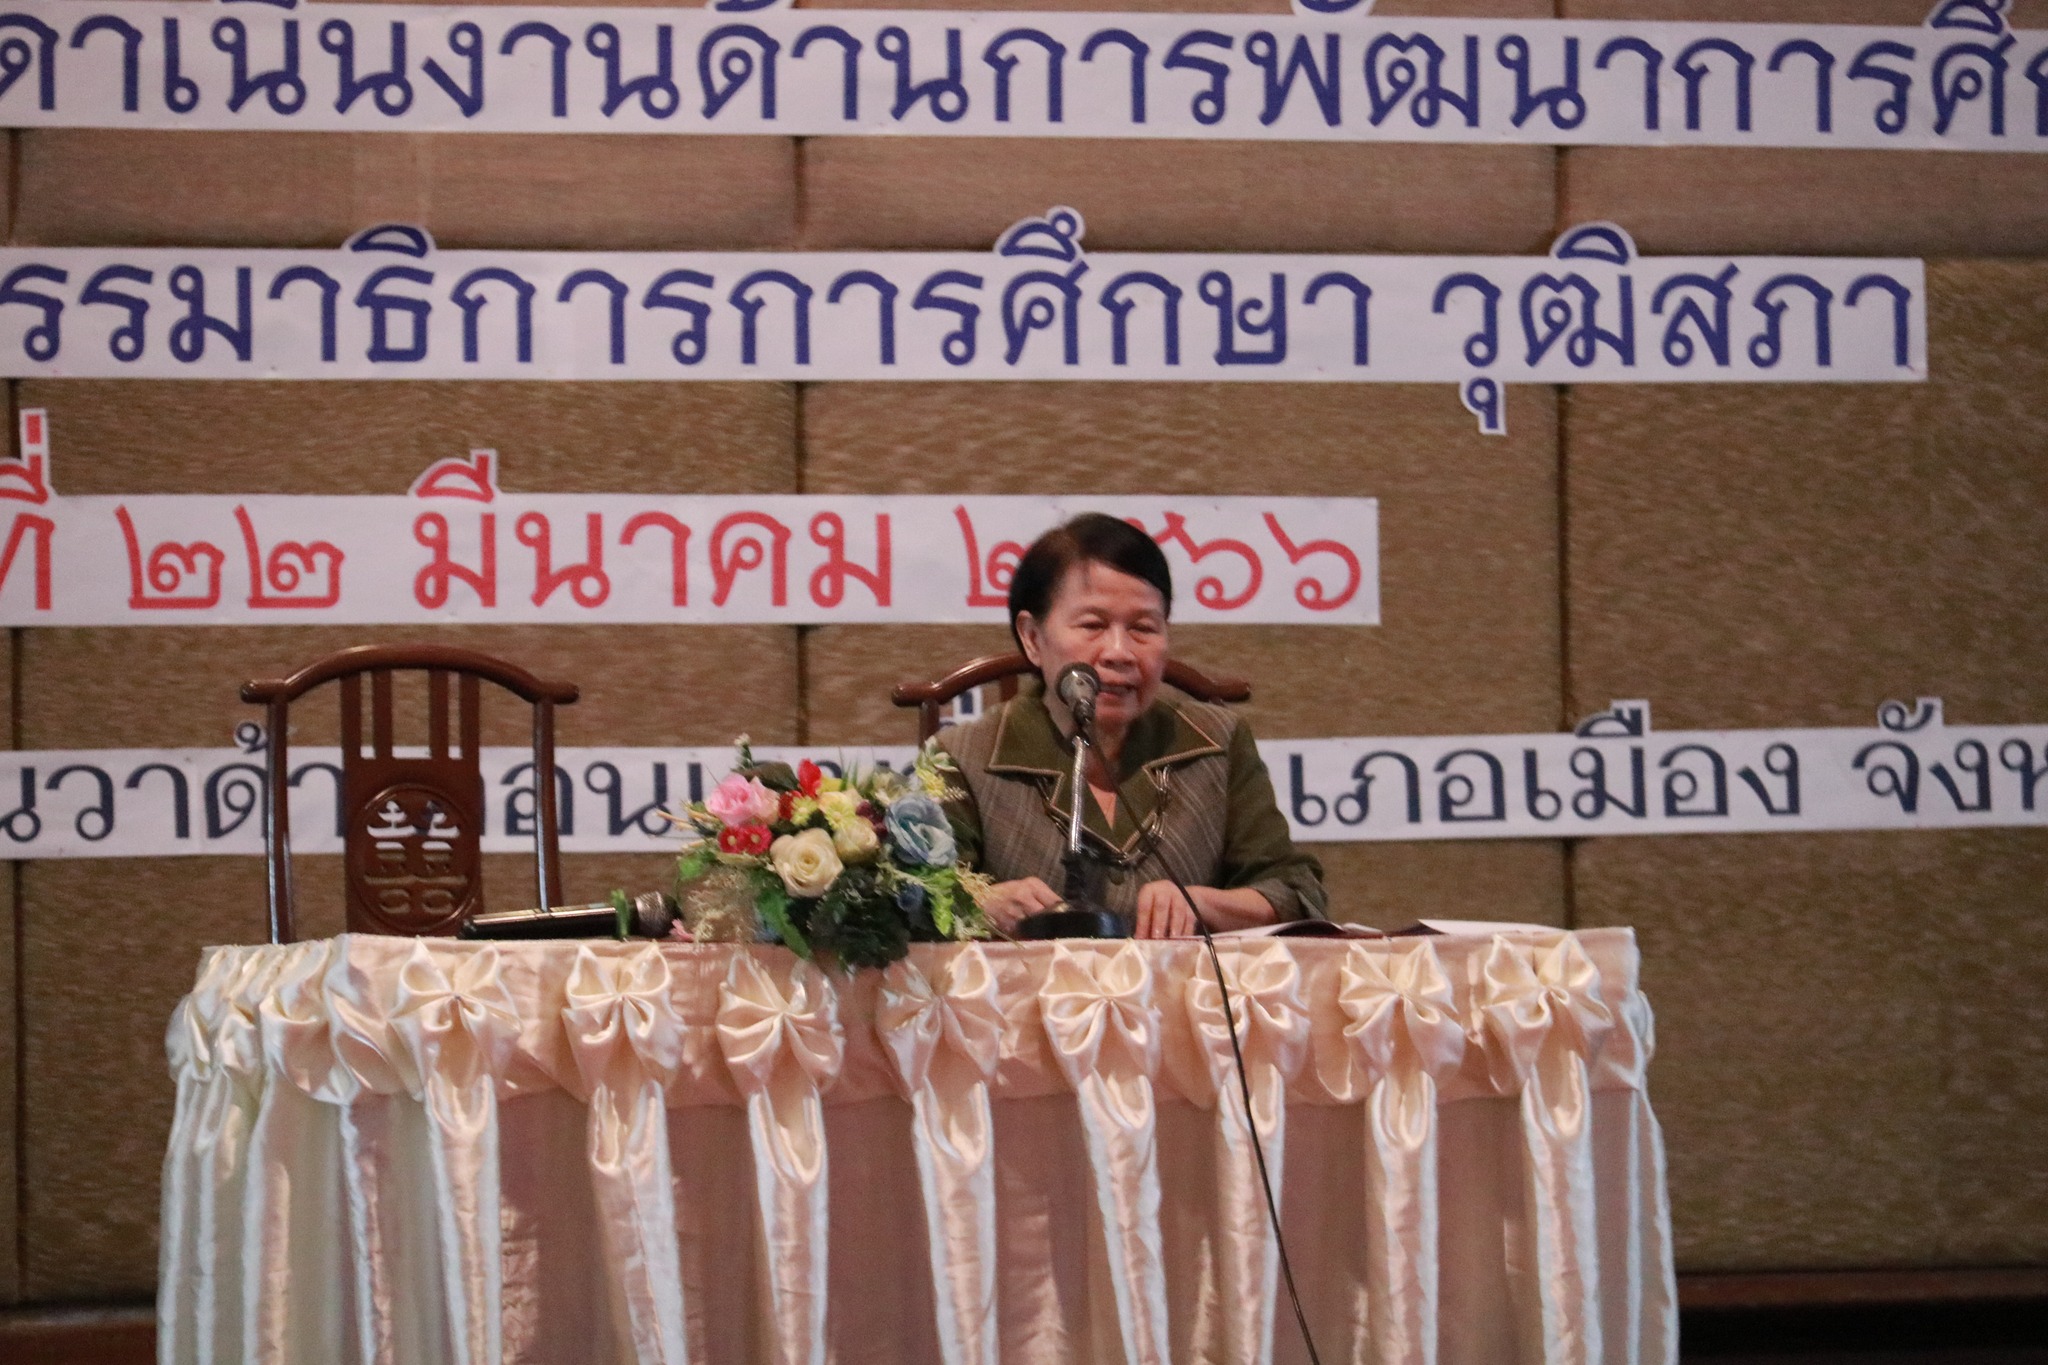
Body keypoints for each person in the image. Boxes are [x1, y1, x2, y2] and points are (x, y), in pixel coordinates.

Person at [936, 513, 1327, 939]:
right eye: (1093, 625)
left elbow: (1295, 891)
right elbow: (911, 898)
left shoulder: (1217, 742)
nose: (1119, 652)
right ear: (1032, 638)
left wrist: (1203, 904)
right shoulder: (964, 756)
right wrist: (980, 904)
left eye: (1143, 628)